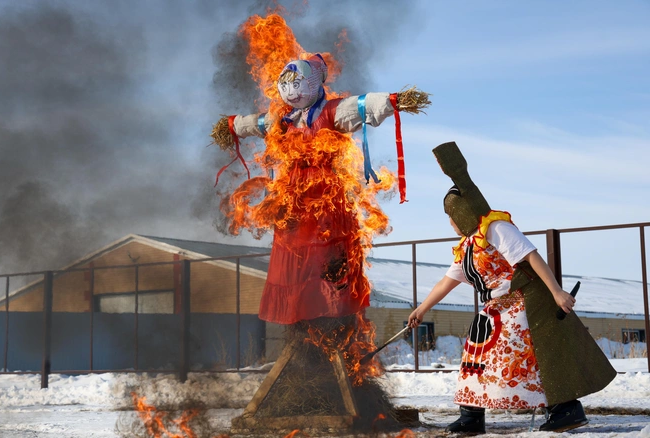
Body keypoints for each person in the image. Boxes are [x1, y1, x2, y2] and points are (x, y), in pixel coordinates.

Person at [408, 142, 617, 434]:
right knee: (474, 354)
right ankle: (471, 416)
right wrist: (422, 308)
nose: (451, 222)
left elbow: (530, 255)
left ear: (464, 210)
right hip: (495, 308)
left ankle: (566, 409)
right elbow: (448, 280)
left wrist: (556, 291)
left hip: (523, 302)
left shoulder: (497, 228)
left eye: (451, 215)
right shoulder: (469, 245)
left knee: (523, 354)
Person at [211, 53, 430, 326]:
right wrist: (230, 125)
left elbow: (360, 105)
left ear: (313, 84)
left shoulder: (330, 111)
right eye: (286, 85)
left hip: (324, 192)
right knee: (295, 254)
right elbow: (254, 124)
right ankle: (300, 310)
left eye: (297, 84)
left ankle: (331, 309)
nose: (291, 92)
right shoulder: (282, 119)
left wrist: (394, 101)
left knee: (328, 254)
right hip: (292, 196)